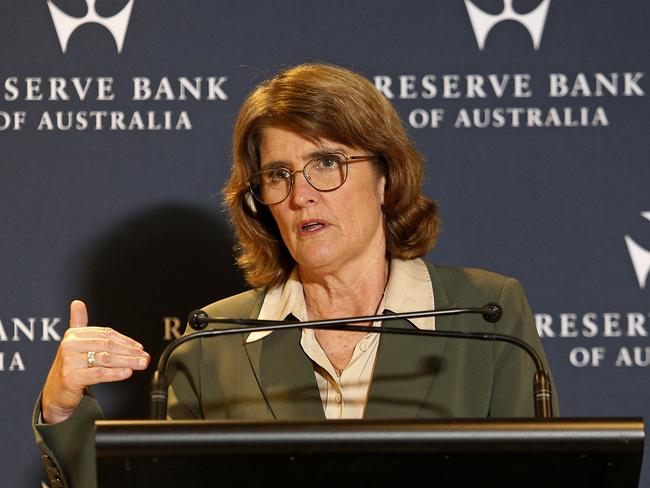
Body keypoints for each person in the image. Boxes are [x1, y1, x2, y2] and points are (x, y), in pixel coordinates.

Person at [33, 63, 558, 488]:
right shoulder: (213, 341)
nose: (301, 192)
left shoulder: (487, 314)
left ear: (385, 178)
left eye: (326, 162)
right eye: (278, 174)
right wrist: (64, 411)